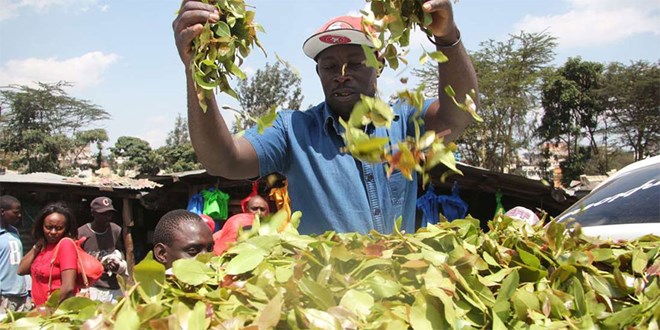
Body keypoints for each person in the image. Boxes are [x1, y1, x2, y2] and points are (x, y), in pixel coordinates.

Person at [173, 0, 477, 235]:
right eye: (330, 66)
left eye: (355, 63)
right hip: (326, 304)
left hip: (399, 300)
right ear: (318, 72)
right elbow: (223, 160)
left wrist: (446, 35)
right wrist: (197, 70)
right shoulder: (292, 130)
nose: (341, 76)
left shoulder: (406, 121)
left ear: (379, 65)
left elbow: (460, 111)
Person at [18, 202, 80, 306]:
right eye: (48, 227)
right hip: (39, 310)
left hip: (56, 312)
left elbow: (68, 287)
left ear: (66, 228)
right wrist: (37, 246)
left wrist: (49, 310)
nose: (53, 232)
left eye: (59, 228)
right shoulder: (43, 247)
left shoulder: (65, 245)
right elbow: (21, 270)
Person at [77, 197, 126, 303]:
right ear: (93, 213)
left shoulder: (115, 230)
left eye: (109, 214)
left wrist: (117, 263)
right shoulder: (82, 233)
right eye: (103, 214)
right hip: (91, 287)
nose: (107, 217)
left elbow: (119, 250)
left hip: (113, 286)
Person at [0, 195, 30, 315]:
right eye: (15, 212)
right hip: (4, 296)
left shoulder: (13, 231)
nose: (19, 215)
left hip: (21, 293)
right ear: (2, 212)